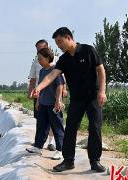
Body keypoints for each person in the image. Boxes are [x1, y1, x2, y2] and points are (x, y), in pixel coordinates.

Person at [31, 27, 107, 173]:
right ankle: (68, 161)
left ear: (68, 37)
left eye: (59, 41)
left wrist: (102, 91)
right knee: (70, 128)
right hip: (77, 99)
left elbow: (101, 70)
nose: (58, 45)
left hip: (93, 97)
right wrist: (39, 88)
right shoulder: (64, 59)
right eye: (57, 43)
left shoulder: (88, 50)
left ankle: (95, 161)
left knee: (95, 128)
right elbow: (51, 76)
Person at [26, 47, 65, 160]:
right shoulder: (42, 71)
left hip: (53, 104)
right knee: (41, 126)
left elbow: (60, 86)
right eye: (38, 59)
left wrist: (58, 101)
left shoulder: (55, 70)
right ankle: (38, 147)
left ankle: (60, 150)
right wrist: (38, 101)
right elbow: (41, 87)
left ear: (48, 58)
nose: (39, 61)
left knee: (57, 127)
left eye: (41, 58)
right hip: (43, 103)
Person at [28, 39, 58, 151]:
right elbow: (33, 78)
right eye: (37, 49)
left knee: (54, 120)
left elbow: (61, 78)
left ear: (47, 48)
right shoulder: (36, 62)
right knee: (41, 119)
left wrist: (62, 91)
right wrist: (31, 91)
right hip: (39, 94)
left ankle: (52, 143)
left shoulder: (56, 61)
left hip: (53, 94)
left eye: (41, 48)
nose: (38, 51)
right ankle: (38, 143)